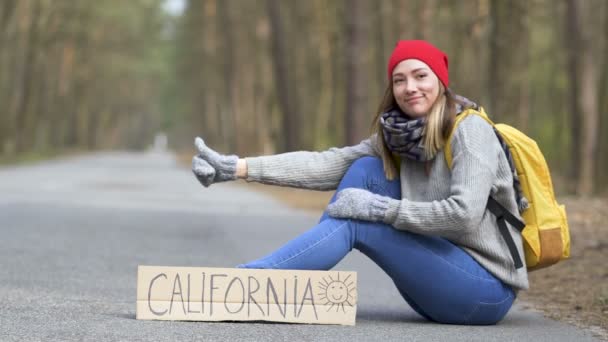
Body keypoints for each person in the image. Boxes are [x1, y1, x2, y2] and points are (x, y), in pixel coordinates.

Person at [191, 40, 528, 325]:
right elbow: (327, 163)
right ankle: (293, 285)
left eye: (420, 76)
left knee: (360, 222)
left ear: (440, 80)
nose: (410, 87)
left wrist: (381, 209)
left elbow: (464, 214)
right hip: (435, 276)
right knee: (364, 169)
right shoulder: (398, 137)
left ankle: (251, 284)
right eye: (399, 80)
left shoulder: (470, 132)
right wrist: (237, 168)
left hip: (484, 289)